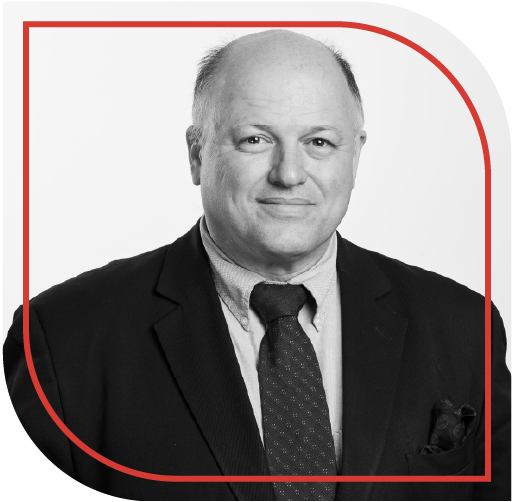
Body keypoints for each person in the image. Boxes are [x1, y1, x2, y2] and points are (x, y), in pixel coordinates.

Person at [3, 29, 512, 501]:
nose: (289, 174)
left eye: (318, 142)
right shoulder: (62, 340)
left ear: (355, 156)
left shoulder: (463, 328)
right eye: (255, 139)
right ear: (197, 154)